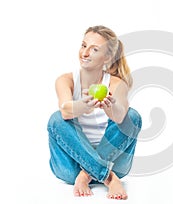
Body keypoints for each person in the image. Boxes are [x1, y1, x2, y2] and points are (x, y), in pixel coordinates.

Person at [47, 25, 142, 200]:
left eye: (94, 49)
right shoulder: (66, 80)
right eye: (84, 46)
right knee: (56, 119)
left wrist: (110, 107)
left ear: (107, 57)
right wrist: (84, 106)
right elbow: (65, 111)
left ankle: (86, 175)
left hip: (115, 161)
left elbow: (121, 116)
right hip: (71, 166)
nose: (85, 53)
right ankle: (108, 177)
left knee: (133, 117)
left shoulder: (116, 83)